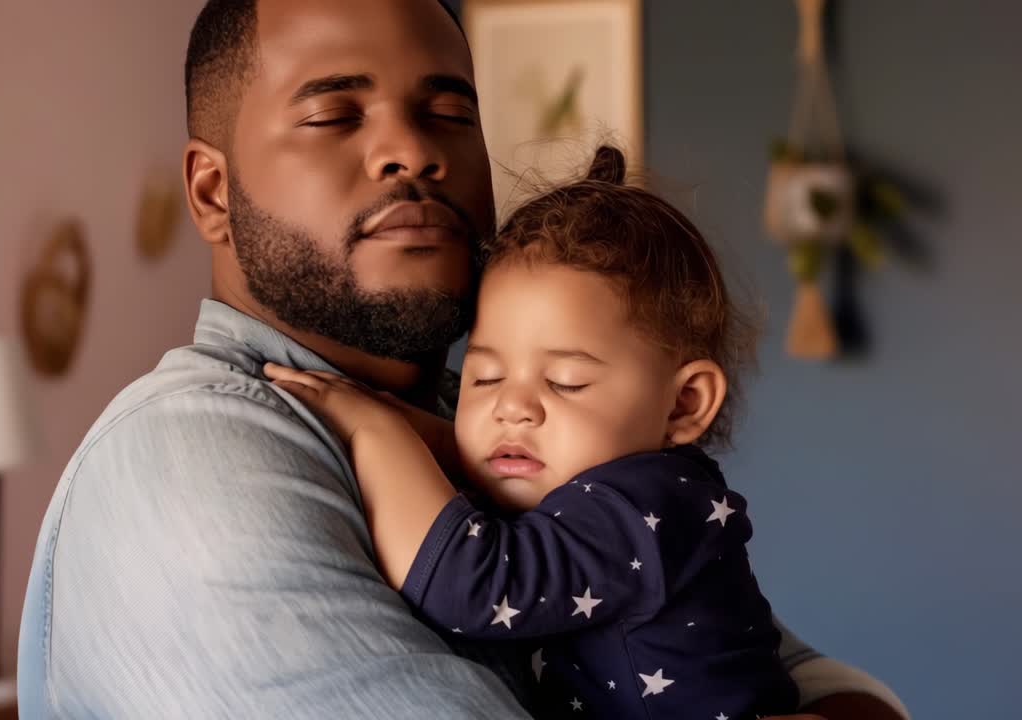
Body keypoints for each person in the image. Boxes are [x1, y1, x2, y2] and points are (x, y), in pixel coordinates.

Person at [17, 1, 909, 718]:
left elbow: (769, 658)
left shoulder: (501, 427)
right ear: (213, 192)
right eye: (334, 113)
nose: (415, 151)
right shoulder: (195, 456)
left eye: (450, 112)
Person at [264, 145, 801, 719]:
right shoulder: (626, 486)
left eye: (566, 382)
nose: (511, 407)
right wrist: (407, 421)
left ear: (683, 405)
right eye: (485, 376)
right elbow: (479, 458)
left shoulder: (645, 505)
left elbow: (474, 586)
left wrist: (374, 431)